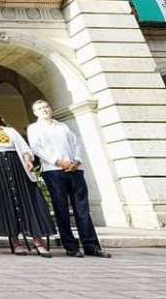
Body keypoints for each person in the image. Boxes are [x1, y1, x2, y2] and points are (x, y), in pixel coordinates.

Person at [27, 99, 111, 258]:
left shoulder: (62, 126)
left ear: (51, 108)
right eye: (40, 108)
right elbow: (36, 148)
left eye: (46, 106)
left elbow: (76, 144)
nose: (44, 110)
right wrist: (58, 161)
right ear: (35, 112)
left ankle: (91, 245)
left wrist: (77, 161)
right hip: (53, 171)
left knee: (83, 210)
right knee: (61, 210)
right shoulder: (34, 128)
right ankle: (71, 247)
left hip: (74, 170)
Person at [0, 108, 55, 257]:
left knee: (28, 202)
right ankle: (16, 242)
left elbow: (24, 148)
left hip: (16, 167)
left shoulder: (10, 131)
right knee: (6, 204)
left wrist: (28, 160)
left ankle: (38, 242)